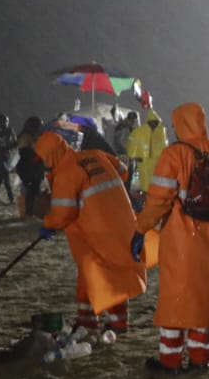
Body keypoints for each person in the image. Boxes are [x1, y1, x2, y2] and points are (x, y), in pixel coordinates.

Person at [133, 104, 209, 373]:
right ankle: (200, 359)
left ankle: (169, 361)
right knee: (205, 300)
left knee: (177, 299)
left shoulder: (175, 154)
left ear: (181, 124)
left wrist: (140, 229)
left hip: (183, 240)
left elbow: (158, 200)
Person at [34, 127, 147, 334]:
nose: (45, 166)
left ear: (51, 156)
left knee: (107, 273)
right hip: (121, 220)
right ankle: (88, 320)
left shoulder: (65, 173)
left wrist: (48, 225)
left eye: (44, 160)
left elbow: (63, 214)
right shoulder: (95, 154)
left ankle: (117, 324)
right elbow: (123, 171)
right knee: (91, 271)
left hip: (97, 230)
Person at [125, 108, 168, 197]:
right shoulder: (139, 132)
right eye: (151, 122)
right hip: (143, 163)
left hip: (155, 163)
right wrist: (133, 157)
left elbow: (164, 147)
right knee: (144, 184)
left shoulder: (161, 133)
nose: (153, 124)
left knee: (153, 185)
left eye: (155, 122)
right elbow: (131, 146)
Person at [13, 117, 47, 218]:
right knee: (31, 190)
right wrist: (40, 157)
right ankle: (29, 214)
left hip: (33, 167)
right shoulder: (25, 137)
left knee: (34, 189)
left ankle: (33, 212)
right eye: (38, 126)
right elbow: (27, 155)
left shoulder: (34, 136)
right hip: (27, 167)